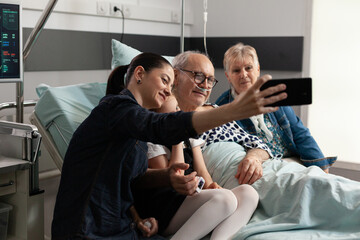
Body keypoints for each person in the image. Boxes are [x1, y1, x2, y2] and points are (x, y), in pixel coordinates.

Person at [51, 52, 287, 239]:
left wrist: (140, 216)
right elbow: (163, 126)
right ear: (140, 74)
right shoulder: (115, 108)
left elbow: (129, 182)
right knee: (223, 200)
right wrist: (231, 111)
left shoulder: (135, 134)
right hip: (86, 230)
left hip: (122, 227)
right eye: (165, 80)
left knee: (242, 194)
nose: (167, 89)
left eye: (171, 84)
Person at [133, 94, 259, 239]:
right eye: (173, 112)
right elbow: (174, 178)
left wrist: (211, 186)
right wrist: (177, 139)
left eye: (178, 108)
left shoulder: (191, 137)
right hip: (166, 206)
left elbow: (201, 171)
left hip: (190, 198)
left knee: (248, 194)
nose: (179, 114)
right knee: (226, 200)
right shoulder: (153, 143)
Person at [216, 43, 337, 172]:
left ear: (257, 69)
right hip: (263, 167)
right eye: (236, 70)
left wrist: (322, 168)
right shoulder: (222, 108)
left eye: (248, 68)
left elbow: (300, 133)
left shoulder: (274, 95)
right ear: (228, 76)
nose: (243, 74)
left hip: (292, 160)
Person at [172, 51, 273, 185]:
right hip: (238, 179)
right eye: (199, 76)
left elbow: (258, 144)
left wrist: (254, 158)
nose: (205, 85)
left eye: (210, 80)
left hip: (260, 169)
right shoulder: (167, 121)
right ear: (176, 76)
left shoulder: (216, 110)